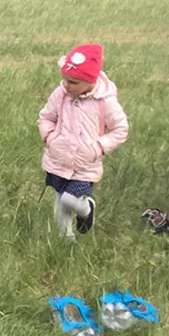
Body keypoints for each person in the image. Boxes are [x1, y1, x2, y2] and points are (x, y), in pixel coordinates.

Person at [38, 44, 129, 239]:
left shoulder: (105, 102)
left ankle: (86, 209)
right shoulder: (61, 94)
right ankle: (67, 242)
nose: (67, 85)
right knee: (59, 202)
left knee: (69, 200)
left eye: (73, 82)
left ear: (90, 81)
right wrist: (50, 137)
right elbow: (46, 116)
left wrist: (98, 148)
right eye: (64, 80)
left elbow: (120, 129)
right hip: (59, 159)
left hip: (84, 165)